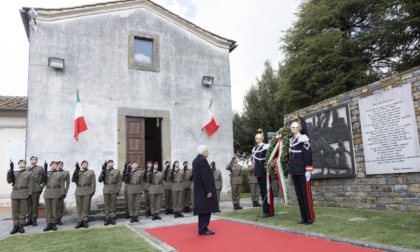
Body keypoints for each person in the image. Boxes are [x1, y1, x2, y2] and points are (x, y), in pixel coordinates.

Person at [289, 116, 314, 225]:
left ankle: (309, 218)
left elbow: (307, 155)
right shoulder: (291, 140)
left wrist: (308, 170)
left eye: (293, 127)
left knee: (305, 195)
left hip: (303, 171)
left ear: (298, 128)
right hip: (295, 171)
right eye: (291, 127)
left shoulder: (303, 138)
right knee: (299, 195)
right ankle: (303, 217)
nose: (291, 129)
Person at [193, 145, 218, 236]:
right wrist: (209, 190)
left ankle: (202, 227)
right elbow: (205, 177)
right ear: (203, 152)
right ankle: (203, 229)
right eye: (207, 151)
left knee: (202, 209)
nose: (208, 152)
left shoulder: (195, 160)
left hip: (199, 190)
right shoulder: (203, 161)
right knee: (206, 209)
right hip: (204, 190)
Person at [251, 129, 272, 218]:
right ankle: (265, 211)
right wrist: (251, 160)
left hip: (264, 171)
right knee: (262, 192)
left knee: (265, 191)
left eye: (257, 138)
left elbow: (268, 157)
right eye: (255, 138)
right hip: (258, 171)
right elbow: (252, 156)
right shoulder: (255, 148)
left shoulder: (265, 146)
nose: (256, 139)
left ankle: (267, 211)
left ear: (261, 138)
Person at [8, 160, 32, 234]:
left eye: (23, 163)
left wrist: (29, 193)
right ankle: (15, 225)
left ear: (25, 164)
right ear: (18, 165)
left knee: (22, 210)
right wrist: (10, 171)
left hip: (23, 193)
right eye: (20, 163)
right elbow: (9, 181)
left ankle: (21, 225)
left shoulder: (29, 173)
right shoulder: (14, 173)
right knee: (15, 211)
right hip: (15, 193)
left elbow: (31, 184)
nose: (21, 163)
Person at [72, 160, 96, 229]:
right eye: (83, 164)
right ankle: (80, 221)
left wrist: (92, 191)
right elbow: (73, 180)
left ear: (87, 165)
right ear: (81, 165)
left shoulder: (91, 172)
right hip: (79, 191)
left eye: (86, 164)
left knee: (86, 207)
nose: (85, 165)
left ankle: (85, 220)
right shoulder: (78, 172)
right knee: (79, 207)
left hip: (87, 191)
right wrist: (75, 170)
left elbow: (93, 183)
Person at [98, 160, 122, 226]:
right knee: (107, 205)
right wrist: (103, 172)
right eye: (109, 162)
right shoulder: (104, 171)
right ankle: (107, 218)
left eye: (112, 162)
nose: (110, 163)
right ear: (107, 164)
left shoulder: (117, 171)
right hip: (106, 189)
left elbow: (120, 181)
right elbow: (99, 180)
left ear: (113, 163)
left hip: (114, 189)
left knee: (113, 204)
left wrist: (118, 189)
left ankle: (112, 217)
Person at [43, 161, 65, 231]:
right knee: (48, 210)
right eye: (52, 164)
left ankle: (54, 223)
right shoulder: (47, 173)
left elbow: (62, 185)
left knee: (54, 209)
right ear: (50, 166)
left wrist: (62, 194)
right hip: (48, 193)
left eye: (55, 165)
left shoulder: (60, 174)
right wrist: (44, 171)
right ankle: (48, 224)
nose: (53, 166)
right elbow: (42, 181)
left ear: (57, 166)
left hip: (56, 193)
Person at [25, 156, 44, 226]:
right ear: (30, 160)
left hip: (36, 189)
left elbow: (44, 178)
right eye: (32, 159)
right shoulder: (26, 169)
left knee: (35, 205)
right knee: (28, 205)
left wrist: (41, 187)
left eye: (35, 159)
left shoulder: (40, 168)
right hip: (28, 189)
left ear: (37, 161)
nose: (33, 160)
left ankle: (34, 219)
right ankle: (29, 219)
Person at [56, 161, 70, 225]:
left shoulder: (66, 173)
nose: (60, 165)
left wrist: (66, 191)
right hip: (53, 191)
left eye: (61, 164)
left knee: (60, 206)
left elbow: (67, 183)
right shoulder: (53, 172)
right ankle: (53, 218)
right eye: (58, 164)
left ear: (63, 165)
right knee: (54, 205)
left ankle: (59, 218)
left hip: (61, 191)